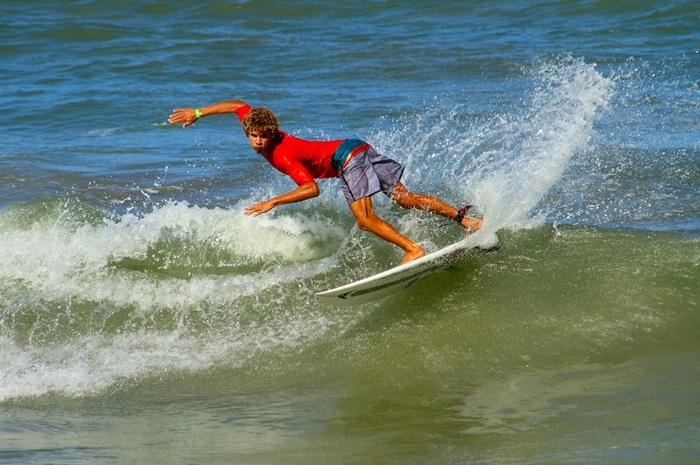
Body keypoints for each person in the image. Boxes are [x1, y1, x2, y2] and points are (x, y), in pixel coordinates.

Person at [168, 100, 482, 265]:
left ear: (273, 132)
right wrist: (198, 112)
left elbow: (311, 189)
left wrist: (274, 201)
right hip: (355, 145)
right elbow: (237, 104)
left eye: (264, 136)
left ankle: (413, 250)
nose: (259, 142)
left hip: (346, 159)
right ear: (248, 130)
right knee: (405, 198)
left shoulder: (283, 155)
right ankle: (466, 220)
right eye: (254, 136)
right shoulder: (251, 120)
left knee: (365, 220)